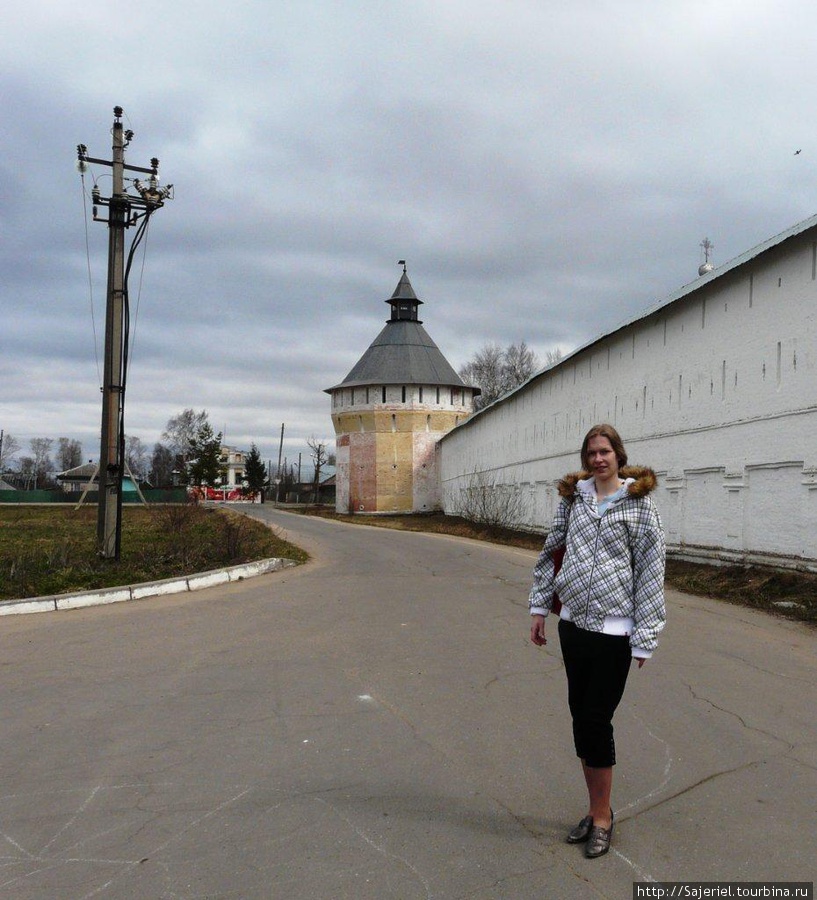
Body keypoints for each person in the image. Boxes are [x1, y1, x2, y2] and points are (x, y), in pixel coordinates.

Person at [529, 423, 666, 859]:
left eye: (605, 451)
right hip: (573, 625)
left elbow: (650, 571)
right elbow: (552, 551)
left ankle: (604, 818)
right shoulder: (574, 501)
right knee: (579, 719)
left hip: (614, 632)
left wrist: (644, 635)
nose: (598, 459)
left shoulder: (640, 505)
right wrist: (539, 607)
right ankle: (595, 809)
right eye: (591, 452)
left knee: (595, 720)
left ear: (618, 456)